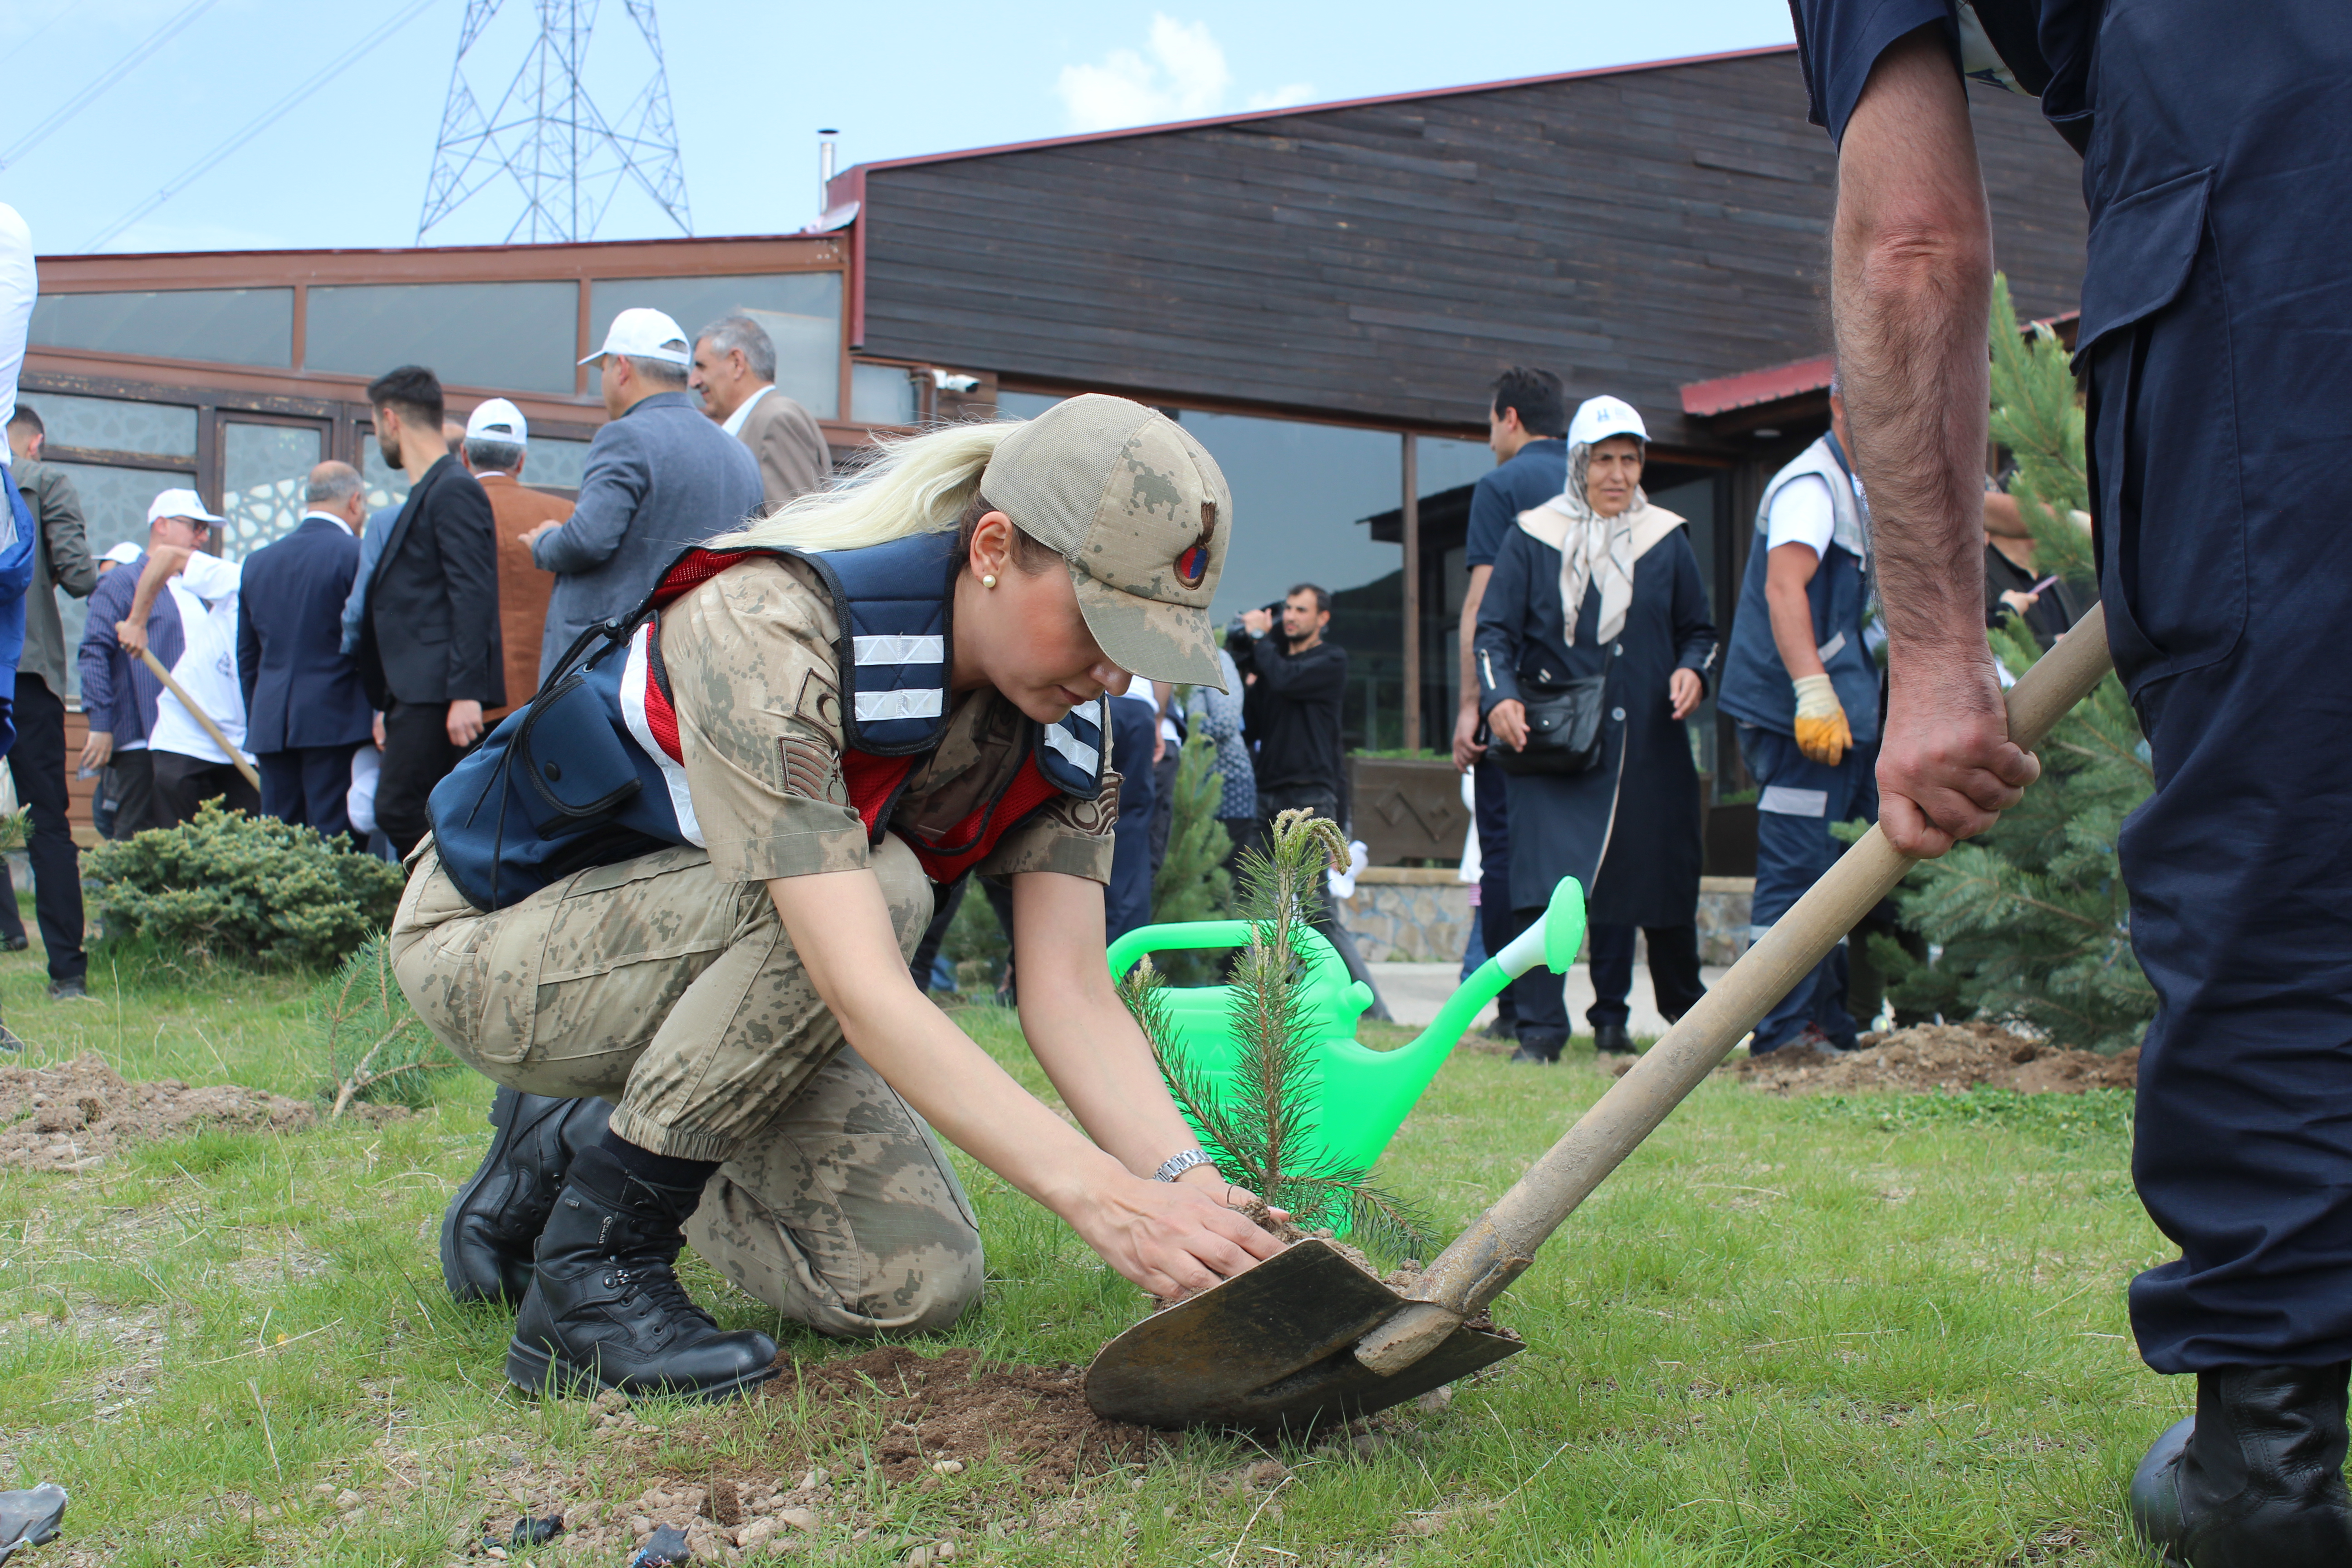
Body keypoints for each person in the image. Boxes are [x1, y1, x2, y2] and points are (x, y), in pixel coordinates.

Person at [400, 396, 1285, 1401]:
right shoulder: (772, 624)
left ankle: (572, 1135)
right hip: (499, 946)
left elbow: (1074, 991)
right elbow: (863, 983)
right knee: (887, 887)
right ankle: (593, 1276)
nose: (1116, 671)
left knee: (911, 1283)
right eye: (1101, 621)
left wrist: (1193, 1197)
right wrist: (1103, 1203)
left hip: (725, 974)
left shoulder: (1074, 722)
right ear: (993, 547)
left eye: (1149, 642)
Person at [1790, 6, 2352, 1558]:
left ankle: (2272, 1469)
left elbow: (1911, 242)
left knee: (2283, 864)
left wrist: (1935, 657)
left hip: (2282, 255)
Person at [1475, 396, 1717, 1063]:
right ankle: (1540, 1032)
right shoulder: (1533, 533)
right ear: (1579, 464)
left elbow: (1700, 631)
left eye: (1630, 460)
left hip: (1647, 746)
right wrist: (1499, 699)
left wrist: (1693, 669)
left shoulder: (1667, 537)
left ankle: (1672, 1022)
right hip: (1553, 747)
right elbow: (1493, 631)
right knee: (1541, 888)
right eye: (1604, 459)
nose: (1617, 473)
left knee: (1654, 883)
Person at [1715, 386, 1880, 1054]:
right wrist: (1813, 689)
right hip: (1797, 723)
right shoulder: (1811, 486)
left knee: (1832, 876)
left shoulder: (1856, 484)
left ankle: (1823, 1022)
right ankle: (1782, 1033)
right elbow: (1786, 588)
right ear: (1842, 405)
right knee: (1795, 874)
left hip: (1838, 722)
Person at [524, 309, 763, 681]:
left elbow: (586, 541)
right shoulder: (739, 454)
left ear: (621, 368)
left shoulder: (625, 436)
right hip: (702, 665)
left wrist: (543, 540)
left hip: (614, 669)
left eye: (602, 369)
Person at [1453, 368, 1569, 1045]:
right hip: (1588, 707)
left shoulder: (1502, 487)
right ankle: (1600, 1014)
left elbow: (1482, 606)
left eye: (1491, 422)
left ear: (1511, 418)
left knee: (1504, 856)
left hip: (1514, 703)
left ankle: (1517, 1012)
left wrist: (1472, 704)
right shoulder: (1597, 486)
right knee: (1570, 861)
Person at [353, 365, 504, 859]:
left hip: (441, 694)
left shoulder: (454, 489)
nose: (380, 438)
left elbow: (473, 592)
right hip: (414, 693)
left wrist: (466, 693)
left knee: (402, 809)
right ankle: (440, 919)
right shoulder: (428, 492)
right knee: (414, 810)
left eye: (376, 427)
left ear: (391, 420)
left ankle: (443, 916)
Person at [1232, 584, 1386, 1008]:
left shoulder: (1329, 661)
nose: (1291, 617)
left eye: (1302, 610)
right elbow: (1254, 725)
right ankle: (1258, 999)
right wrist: (1248, 658)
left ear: (1323, 619)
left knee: (1317, 908)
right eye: (1288, 609)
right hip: (1269, 793)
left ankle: (1370, 1005)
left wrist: (1262, 642)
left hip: (1312, 796)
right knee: (1258, 900)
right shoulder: (1274, 667)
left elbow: (1285, 678)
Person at [5, 405, 97, 998]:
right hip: (23, 668)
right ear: (32, 443)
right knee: (48, 824)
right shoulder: (40, 482)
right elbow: (80, 576)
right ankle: (66, 973)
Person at [235, 462, 374, 841]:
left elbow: (247, 657)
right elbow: (371, 642)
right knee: (333, 838)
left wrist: (259, 712)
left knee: (279, 838)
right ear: (356, 501)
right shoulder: (358, 555)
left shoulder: (258, 561)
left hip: (271, 721)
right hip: (338, 719)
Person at [111, 495, 257, 823]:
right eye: (197, 527)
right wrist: (137, 622)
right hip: (187, 729)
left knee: (247, 844)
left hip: (244, 742)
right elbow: (166, 558)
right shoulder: (242, 581)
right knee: (179, 840)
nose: (203, 536)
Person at [455, 398, 567, 714]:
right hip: (549, 692)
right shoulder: (563, 513)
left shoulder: (447, 511)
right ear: (521, 460)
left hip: (471, 701)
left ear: (464, 455)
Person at [690, 314, 831, 514]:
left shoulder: (778, 419)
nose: (693, 381)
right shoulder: (760, 422)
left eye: (702, 366)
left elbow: (792, 532)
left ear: (737, 363)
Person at [1980, 487, 2087, 650]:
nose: (2049, 514)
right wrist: (2052, 645)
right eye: (2041, 506)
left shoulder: (2053, 573)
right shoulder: (1979, 574)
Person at [1104, 680, 1160, 941]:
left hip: (1089, 698)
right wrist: (1158, 718)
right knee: (1131, 838)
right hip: (1139, 703)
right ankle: (1125, 973)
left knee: (1072, 820)